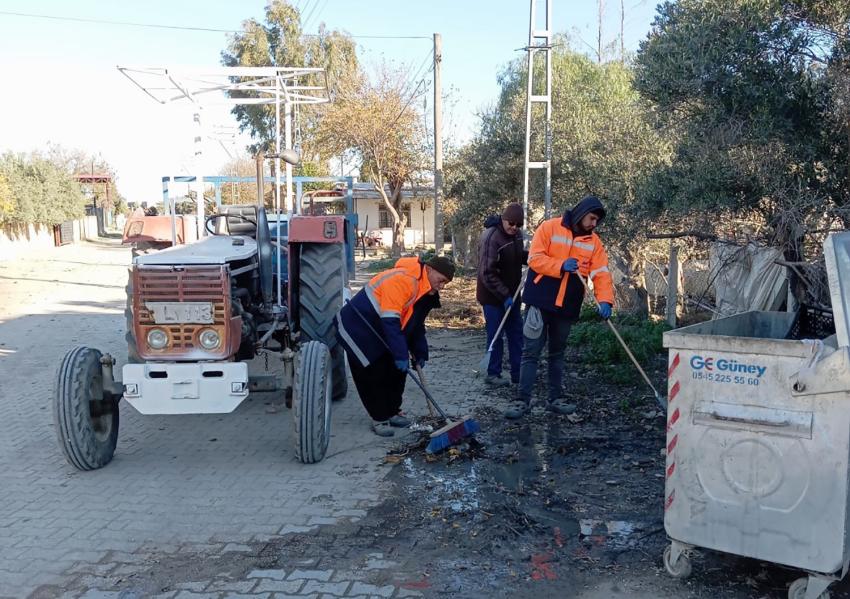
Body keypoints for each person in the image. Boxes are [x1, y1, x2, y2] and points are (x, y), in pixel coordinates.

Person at [504, 195, 614, 419]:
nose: (594, 224)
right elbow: (535, 259)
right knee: (530, 353)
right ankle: (521, 401)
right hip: (539, 301)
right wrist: (560, 265)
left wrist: (605, 300)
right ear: (582, 213)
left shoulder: (594, 242)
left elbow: (601, 273)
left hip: (567, 306)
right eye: (592, 219)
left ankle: (555, 399)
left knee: (557, 354)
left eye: (597, 221)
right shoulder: (549, 228)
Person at [335, 255, 456, 436]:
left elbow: (415, 324)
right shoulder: (403, 280)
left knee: (397, 370)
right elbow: (390, 321)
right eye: (441, 280)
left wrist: (419, 352)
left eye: (445, 283)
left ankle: (392, 411)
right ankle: (379, 417)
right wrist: (400, 354)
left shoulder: (425, 290)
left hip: (380, 326)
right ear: (429, 270)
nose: (442, 286)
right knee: (372, 371)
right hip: (357, 327)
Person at [476, 202, 527, 387]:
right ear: (504, 219)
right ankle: (493, 373)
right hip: (492, 296)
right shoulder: (491, 237)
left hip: (513, 294)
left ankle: (518, 373)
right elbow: (486, 273)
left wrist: (532, 257)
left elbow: (518, 256)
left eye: (518, 225)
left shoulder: (517, 235)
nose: (514, 227)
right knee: (495, 334)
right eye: (511, 223)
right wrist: (504, 295)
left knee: (516, 334)